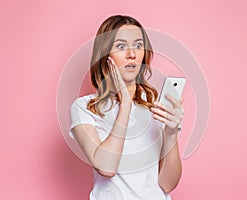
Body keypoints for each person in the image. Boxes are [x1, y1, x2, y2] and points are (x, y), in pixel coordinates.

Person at [69, 15, 184, 200]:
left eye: (138, 45)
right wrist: (125, 105)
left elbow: (167, 184)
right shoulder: (85, 108)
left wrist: (172, 133)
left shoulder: (155, 104)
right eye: (121, 46)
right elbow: (106, 168)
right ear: (104, 55)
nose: (132, 54)